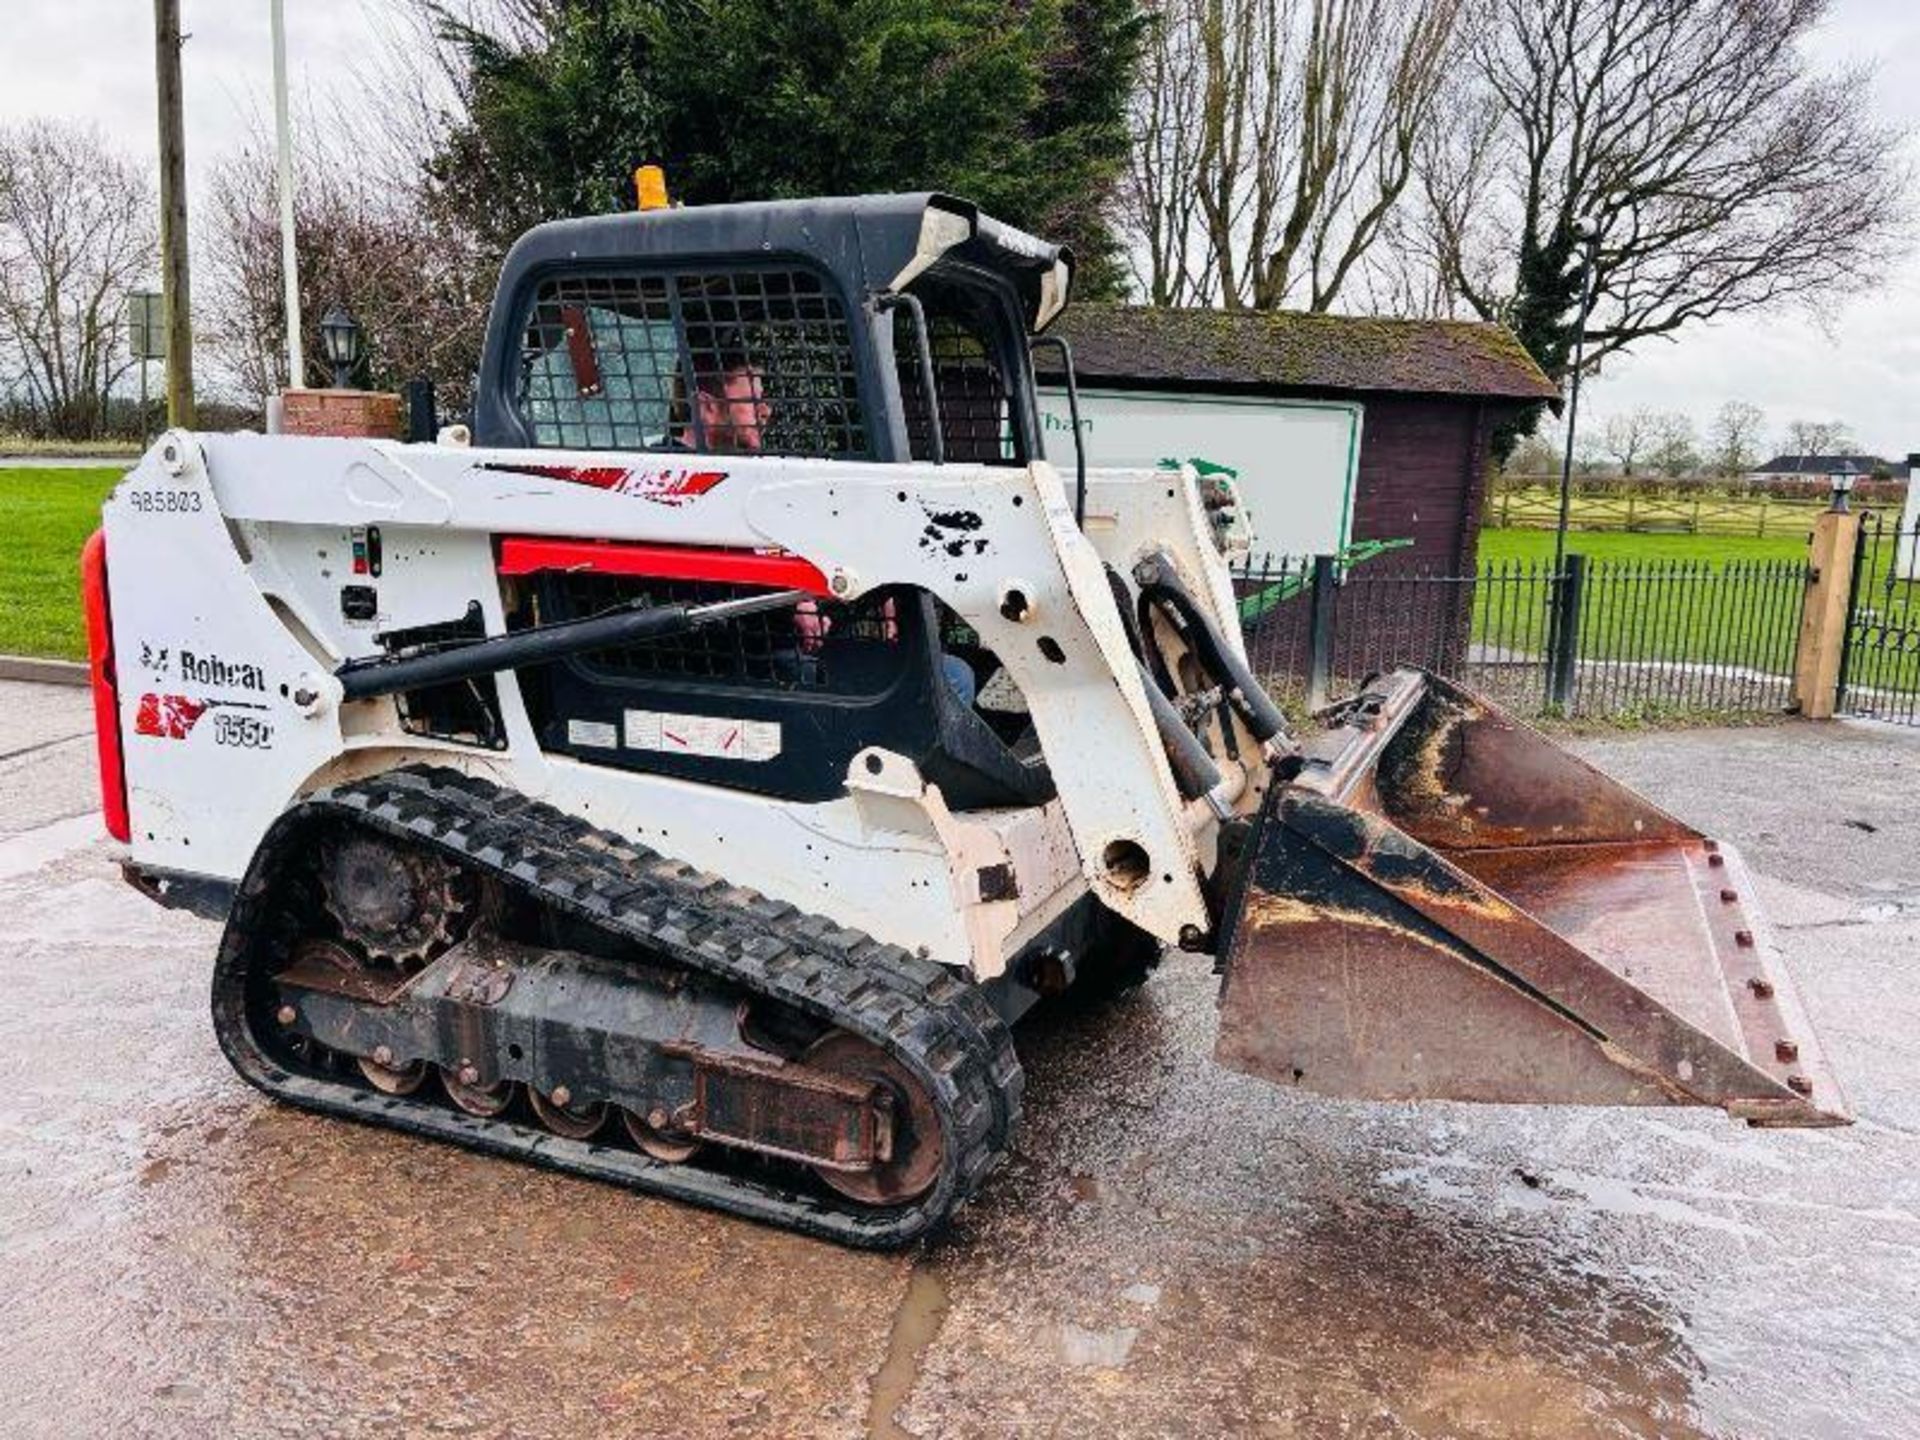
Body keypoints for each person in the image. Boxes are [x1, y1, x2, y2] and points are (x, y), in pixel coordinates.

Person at [673, 357, 770, 453]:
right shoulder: (663, 464)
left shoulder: (754, 466)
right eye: (751, 400)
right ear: (706, 406)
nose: (766, 411)